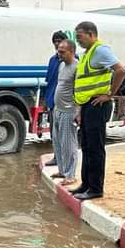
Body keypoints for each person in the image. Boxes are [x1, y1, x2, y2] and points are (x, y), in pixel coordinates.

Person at [70, 21, 125, 200]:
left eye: (80, 37)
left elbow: (120, 70)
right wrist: (80, 109)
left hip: (97, 105)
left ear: (91, 34)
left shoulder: (100, 50)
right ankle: (86, 184)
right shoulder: (86, 53)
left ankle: (95, 188)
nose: (78, 41)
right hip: (87, 105)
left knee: (95, 148)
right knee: (86, 146)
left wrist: (109, 95)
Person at [50, 39, 79, 185]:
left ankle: (70, 175)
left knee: (68, 144)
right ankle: (62, 170)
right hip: (58, 109)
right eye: (58, 51)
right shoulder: (62, 65)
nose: (58, 54)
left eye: (62, 52)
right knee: (57, 142)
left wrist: (78, 111)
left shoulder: (77, 67)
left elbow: (78, 91)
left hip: (69, 111)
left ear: (71, 51)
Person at [44, 31, 68, 166]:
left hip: (65, 103)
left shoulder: (72, 60)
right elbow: (49, 81)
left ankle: (65, 160)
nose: (57, 44)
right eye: (55, 41)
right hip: (52, 101)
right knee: (54, 132)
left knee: (65, 133)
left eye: (60, 41)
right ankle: (57, 157)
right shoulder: (52, 60)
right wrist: (47, 100)